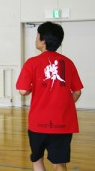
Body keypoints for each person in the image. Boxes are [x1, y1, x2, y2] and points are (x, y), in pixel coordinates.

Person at [16, 21, 83, 171]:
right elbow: (77, 92)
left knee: (37, 160)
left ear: (43, 41)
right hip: (63, 123)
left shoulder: (32, 63)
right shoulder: (68, 63)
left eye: (37, 36)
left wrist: (32, 88)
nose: (35, 39)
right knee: (59, 163)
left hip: (38, 123)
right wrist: (65, 104)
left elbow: (22, 91)